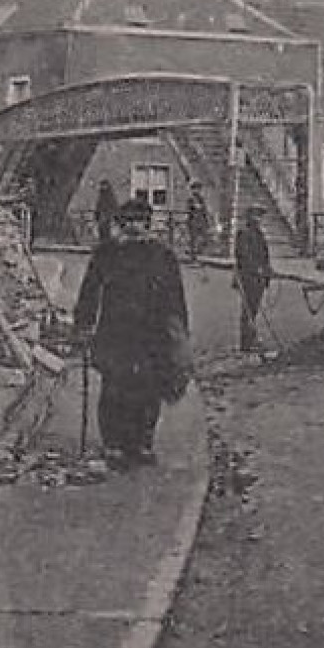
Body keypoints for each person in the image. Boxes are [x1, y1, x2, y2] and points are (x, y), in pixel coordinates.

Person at [73, 199, 189, 470]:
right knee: (115, 387)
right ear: (121, 225)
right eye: (129, 222)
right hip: (116, 331)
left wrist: (180, 331)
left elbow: (176, 296)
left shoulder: (163, 255)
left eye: (140, 222)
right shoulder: (107, 254)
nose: (135, 228)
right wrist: (83, 323)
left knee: (149, 389)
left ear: (148, 225)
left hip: (153, 334)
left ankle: (142, 443)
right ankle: (113, 444)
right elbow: (90, 290)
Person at [234, 207, 272, 356]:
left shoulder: (259, 234)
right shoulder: (243, 234)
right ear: (249, 218)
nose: (258, 220)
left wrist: (267, 270)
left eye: (260, 217)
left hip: (259, 277)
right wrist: (256, 268)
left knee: (254, 309)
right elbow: (243, 256)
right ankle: (246, 342)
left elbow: (264, 255)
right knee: (248, 310)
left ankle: (251, 338)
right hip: (248, 277)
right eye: (255, 217)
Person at [184, 182, 211, 260]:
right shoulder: (191, 199)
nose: (197, 191)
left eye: (198, 189)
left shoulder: (201, 199)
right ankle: (193, 256)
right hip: (193, 220)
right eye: (195, 189)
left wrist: (207, 220)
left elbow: (205, 209)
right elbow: (189, 209)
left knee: (205, 238)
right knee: (193, 239)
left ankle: (200, 253)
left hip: (201, 220)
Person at [93, 179, 119, 245]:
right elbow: (98, 206)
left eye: (104, 185)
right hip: (101, 217)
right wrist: (96, 216)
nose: (102, 187)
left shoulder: (110, 195)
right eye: (101, 185)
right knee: (101, 231)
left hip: (107, 217)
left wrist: (111, 216)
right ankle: (103, 244)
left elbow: (114, 206)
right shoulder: (101, 195)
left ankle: (107, 245)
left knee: (107, 232)